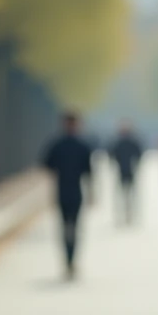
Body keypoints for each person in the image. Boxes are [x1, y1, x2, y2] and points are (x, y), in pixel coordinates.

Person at [42, 112, 94, 278]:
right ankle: (69, 260)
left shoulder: (58, 144)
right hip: (71, 191)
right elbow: (88, 172)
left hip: (66, 191)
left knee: (69, 228)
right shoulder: (81, 145)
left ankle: (70, 260)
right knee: (69, 228)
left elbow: (48, 168)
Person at [108, 120, 144, 227]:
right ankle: (126, 213)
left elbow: (112, 155)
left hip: (126, 170)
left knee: (127, 193)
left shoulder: (120, 142)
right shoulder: (127, 142)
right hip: (126, 170)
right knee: (126, 193)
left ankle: (128, 213)